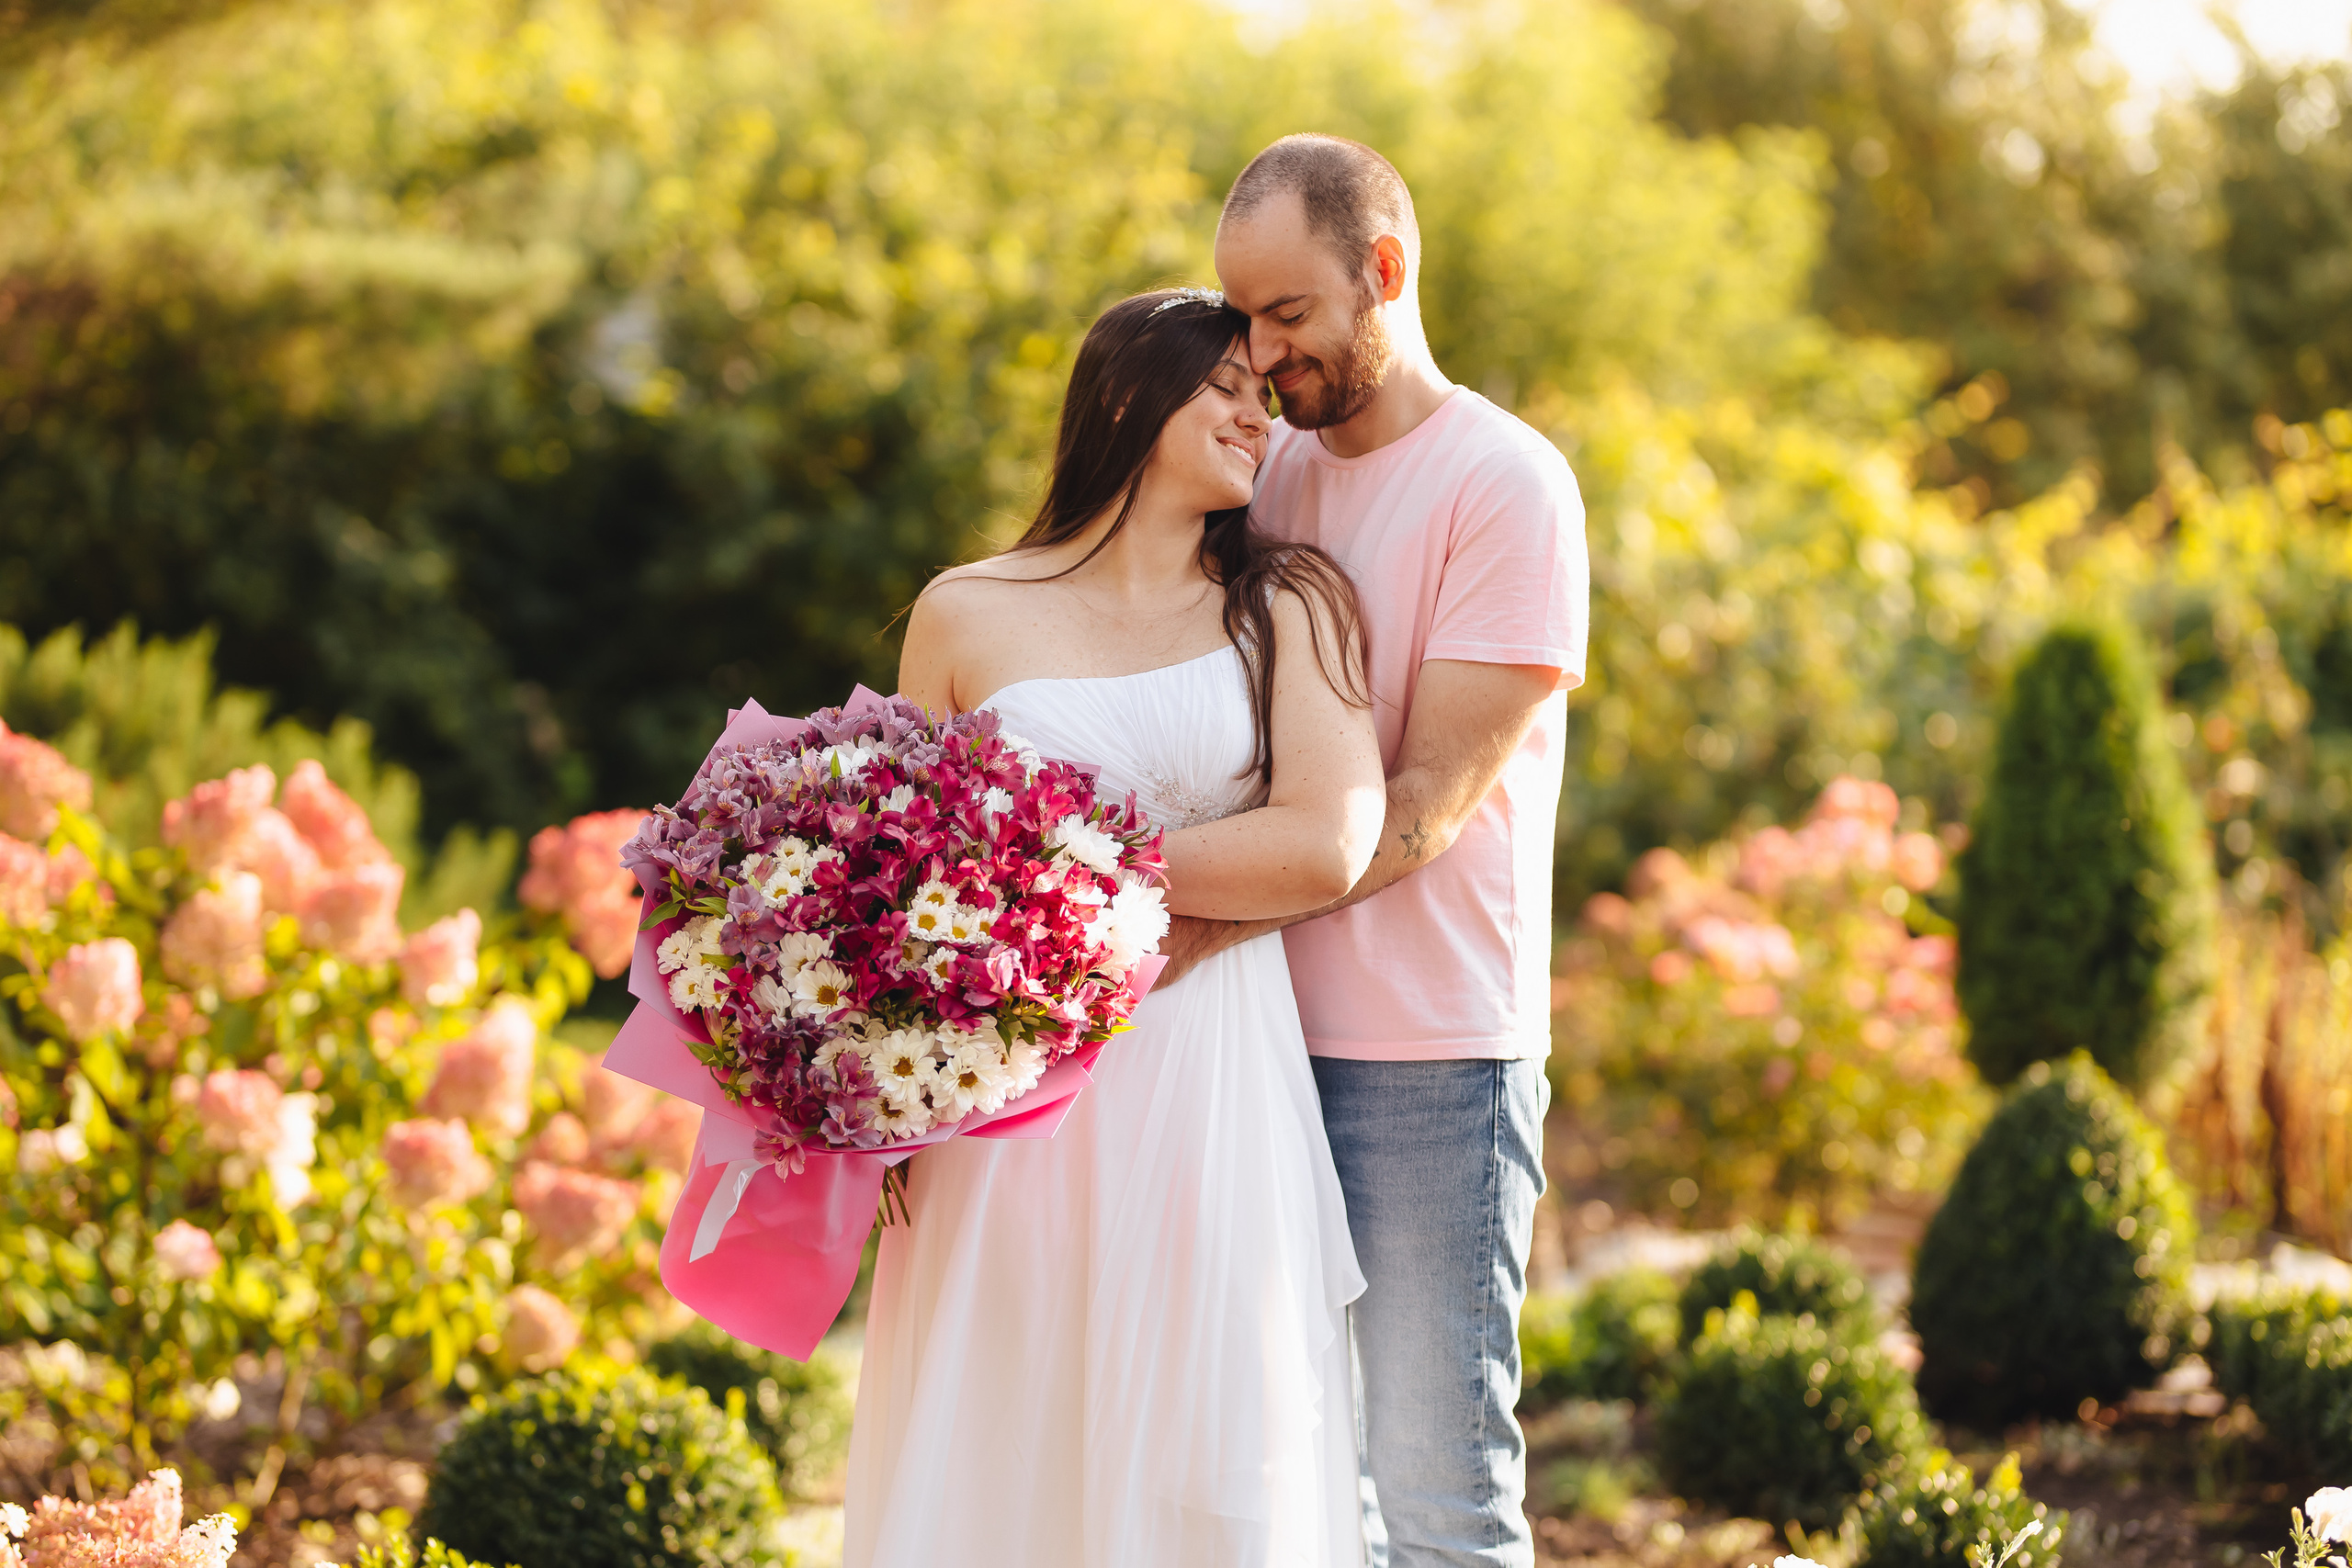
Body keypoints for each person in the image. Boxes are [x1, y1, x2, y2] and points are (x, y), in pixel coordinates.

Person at [846, 287, 1389, 1567]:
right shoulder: (965, 610)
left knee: (1205, 1417)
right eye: (1228, 387)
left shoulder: (1288, 603)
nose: (1260, 418)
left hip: (1211, 1069)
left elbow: (1324, 843)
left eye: (1265, 394)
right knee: (1008, 1414)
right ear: (1131, 397)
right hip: (1007, 1085)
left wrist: (1054, 878)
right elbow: (892, 871)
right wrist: (878, 1094)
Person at [1167, 133, 1591, 1568]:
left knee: (1437, 1495)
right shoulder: (1261, 471)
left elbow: (1420, 810)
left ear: (1384, 272)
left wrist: (1177, 931)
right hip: (1254, 1036)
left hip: (1433, 1060)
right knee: (1291, 1487)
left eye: (1288, 312)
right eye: (1242, 316)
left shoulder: (1506, 484)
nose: (1258, 352)